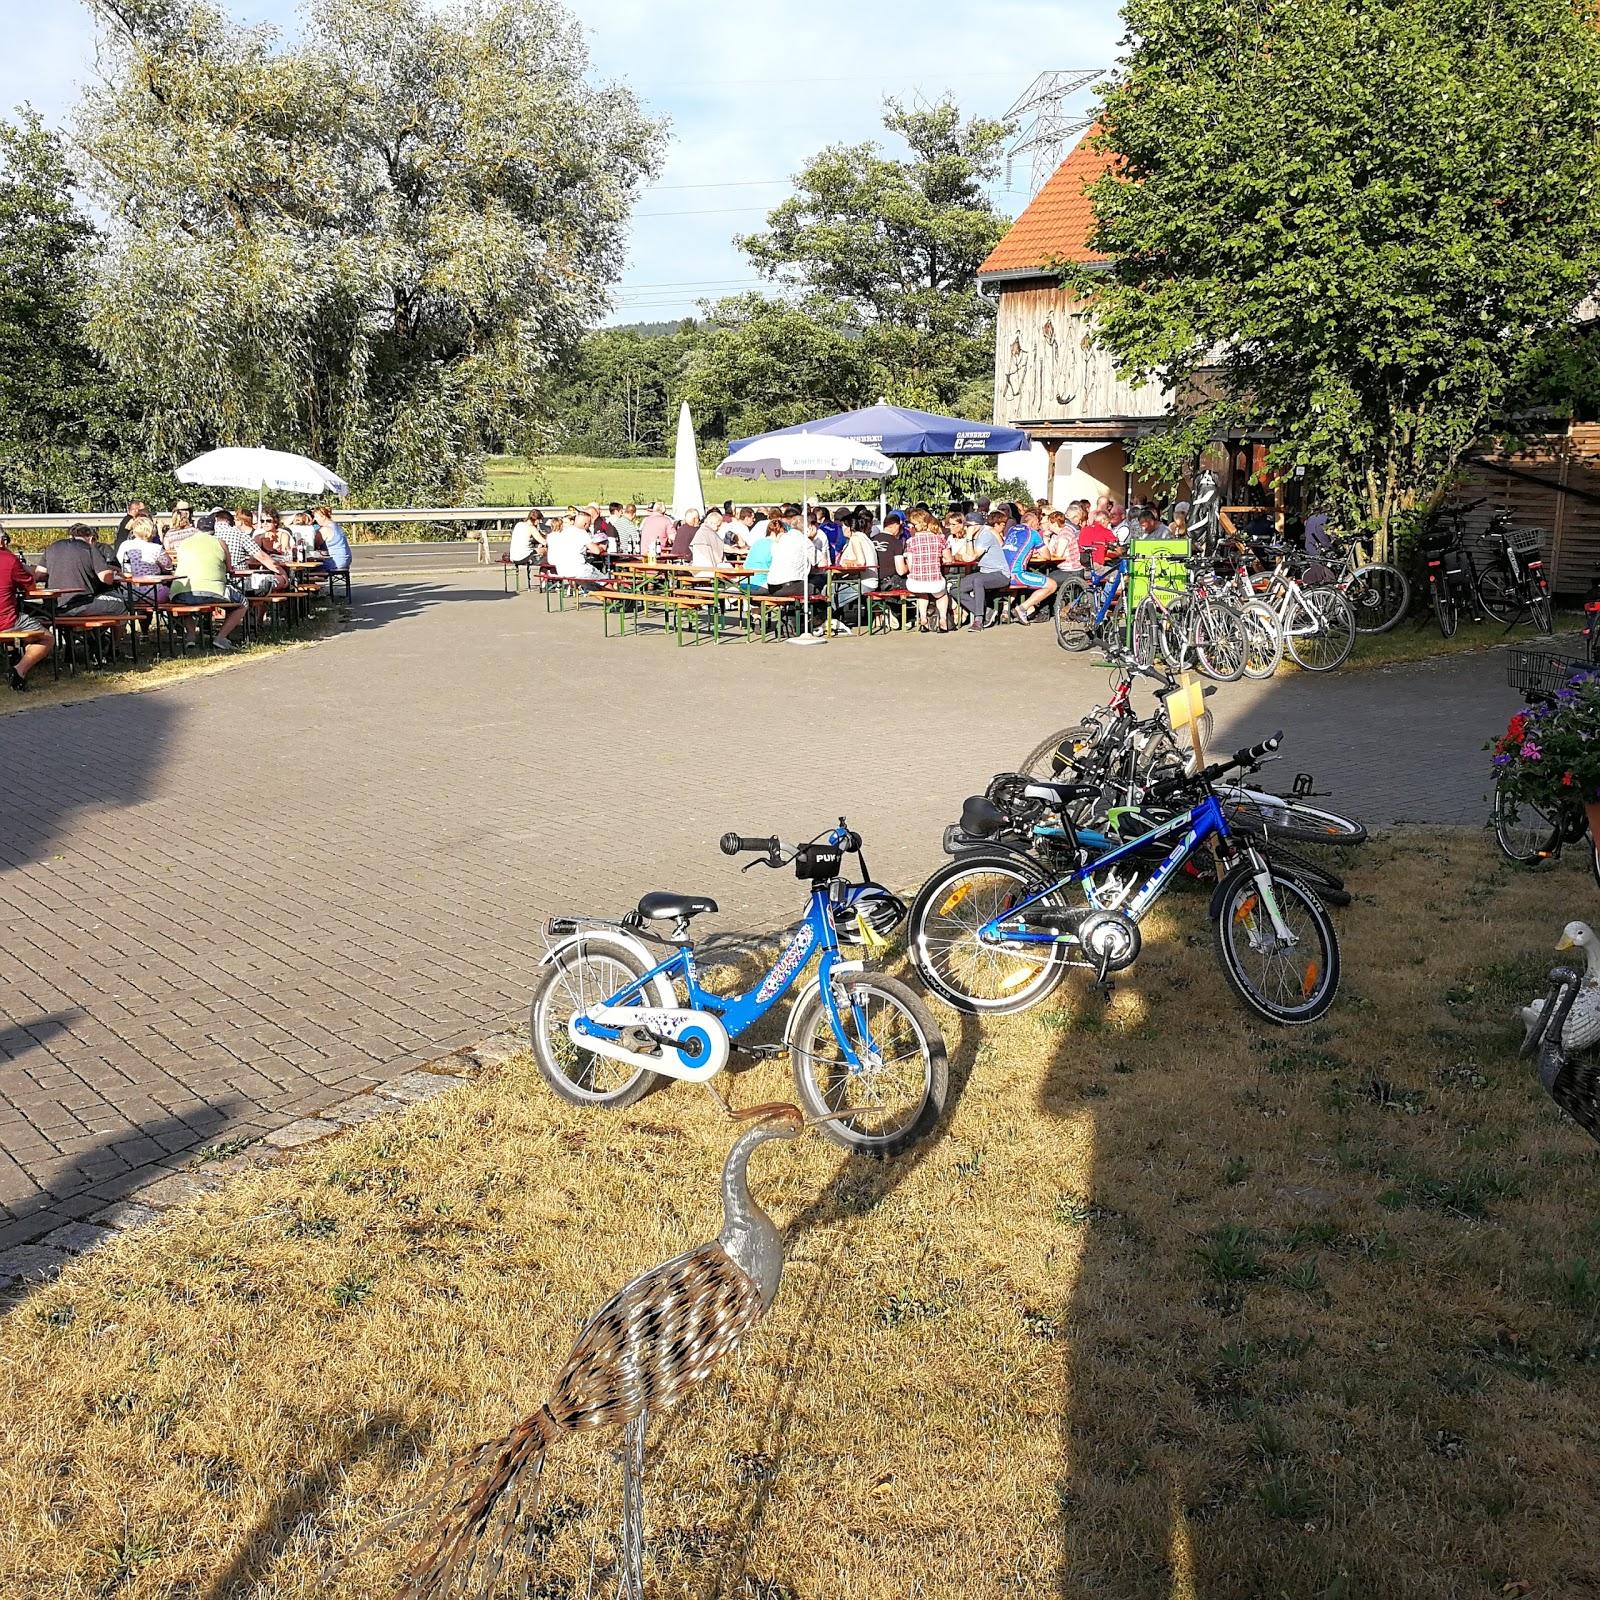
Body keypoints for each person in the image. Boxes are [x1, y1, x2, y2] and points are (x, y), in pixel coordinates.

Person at [169, 519, 247, 649]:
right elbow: (229, 569)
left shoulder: (184, 543)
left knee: (183, 605)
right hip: (213, 591)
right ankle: (221, 638)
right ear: (213, 530)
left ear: (196, 528)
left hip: (181, 590)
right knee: (242, 603)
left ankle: (191, 636)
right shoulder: (220, 543)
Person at [1, 524, 52, 689]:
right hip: (6, 621)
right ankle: (20, 670)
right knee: (46, 637)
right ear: (2, 541)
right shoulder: (9, 560)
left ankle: (12, 655)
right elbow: (31, 588)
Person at [37, 524, 127, 616]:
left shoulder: (53, 547)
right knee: (120, 605)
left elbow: (39, 574)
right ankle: (117, 630)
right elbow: (106, 578)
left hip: (52, 606)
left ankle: (94, 630)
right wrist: (111, 572)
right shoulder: (90, 548)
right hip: (80, 604)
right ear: (92, 539)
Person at [763, 512, 825, 627]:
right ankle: (817, 620)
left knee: (801, 585)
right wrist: (811, 539)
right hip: (790, 586)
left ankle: (792, 621)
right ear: (807, 528)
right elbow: (822, 563)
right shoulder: (804, 541)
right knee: (819, 582)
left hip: (772, 585)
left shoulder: (781, 538)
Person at [957, 511, 1013, 631]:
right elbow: (961, 555)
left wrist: (968, 537)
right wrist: (967, 544)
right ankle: (987, 611)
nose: (966, 528)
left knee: (978, 580)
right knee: (955, 588)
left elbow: (970, 557)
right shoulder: (974, 537)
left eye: (968, 526)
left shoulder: (985, 535)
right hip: (984, 573)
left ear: (977, 526)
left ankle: (978, 620)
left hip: (1000, 574)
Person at [898, 510, 952, 632]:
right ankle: (943, 620)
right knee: (941, 595)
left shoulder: (910, 541)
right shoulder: (940, 539)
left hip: (915, 582)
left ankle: (923, 619)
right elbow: (948, 559)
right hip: (935, 581)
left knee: (922, 593)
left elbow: (911, 566)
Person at [1003, 508, 1053, 625]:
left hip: (1002, 572)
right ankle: (1023, 608)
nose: (1039, 526)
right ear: (1031, 523)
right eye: (1037, 524)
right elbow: (1047, 556)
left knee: (1018, 585)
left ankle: (1006, 610)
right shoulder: (1033, 533)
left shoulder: (1011, 530)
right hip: (1016, 574)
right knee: (1052, 585)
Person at [546, 510, 606, 579]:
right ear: (585, 524)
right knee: (605, 582)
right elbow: (596, 551)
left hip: (562, 570)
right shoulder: (581, 532)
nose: (589, 526)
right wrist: (601, 548)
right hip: (580, 570)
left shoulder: (562, 532)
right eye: (589, 524)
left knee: (591, 584)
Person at [313, 505, 352, 573]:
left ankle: (308, 582)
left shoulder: (325, 530)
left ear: (323, 516)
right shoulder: (336, 526)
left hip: (335, 562)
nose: (315, 519)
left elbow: (313, 545)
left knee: (308, 568)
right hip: (345, 560)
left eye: (316, 517)